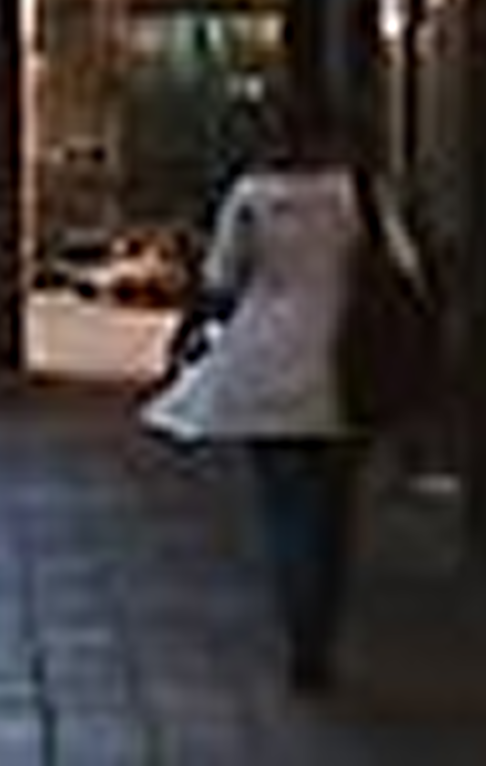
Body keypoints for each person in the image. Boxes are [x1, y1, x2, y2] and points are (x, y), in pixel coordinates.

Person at [139, 90, 403, 691]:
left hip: (263, 367)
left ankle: (302, 637)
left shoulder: (252, 195)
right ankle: (322, 627)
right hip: (348, 368)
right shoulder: (359, 194)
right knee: (335, 513)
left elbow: (221, 280)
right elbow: (402, 268)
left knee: (286, 507)